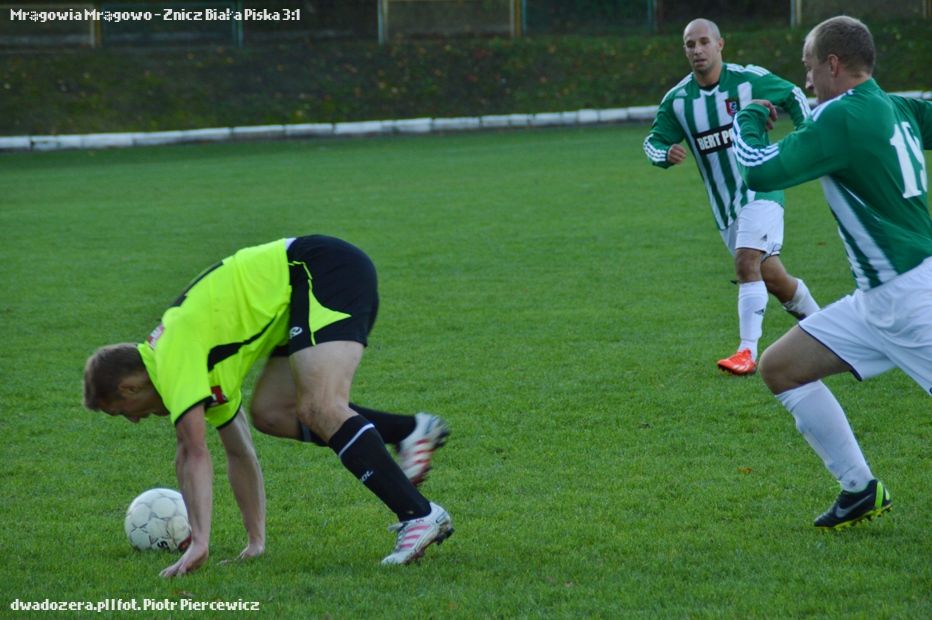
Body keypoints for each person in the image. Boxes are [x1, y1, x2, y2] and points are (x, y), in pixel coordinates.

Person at [83, 235, 454, 575]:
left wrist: (200, 542)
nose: (134, 421)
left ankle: (418, 514)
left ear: (129, 387)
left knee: (320, 406)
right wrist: (255, 542)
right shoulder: (195, 366)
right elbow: (238, 451)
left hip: (318, 270)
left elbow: (191, 450)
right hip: (293, 298)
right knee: (272, 413)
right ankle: (409, 431)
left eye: (121, 411)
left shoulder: (171, 356)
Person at [732, 16, 932, 528]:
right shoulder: (895, 105)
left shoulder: (839, 116)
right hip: (877, 301)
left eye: (808, 67)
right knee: (780, 368)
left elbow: (758, 166)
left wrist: (748, 118)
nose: (806, 79)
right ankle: (860, 488)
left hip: (912, 300)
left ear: (833, 65)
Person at [643, 18, 821, 375]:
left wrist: (808, 135)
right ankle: (827, 328)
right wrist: (664, 154)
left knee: (745, 262)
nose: (697, 50)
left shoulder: (748, 80)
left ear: (720, 44)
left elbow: (793, 94)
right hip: (725, 207)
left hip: (762, 188)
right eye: (690, 44)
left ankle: (746, 352)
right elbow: (653, 141)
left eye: (703, 42)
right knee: (774, 279)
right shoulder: (678, 101)